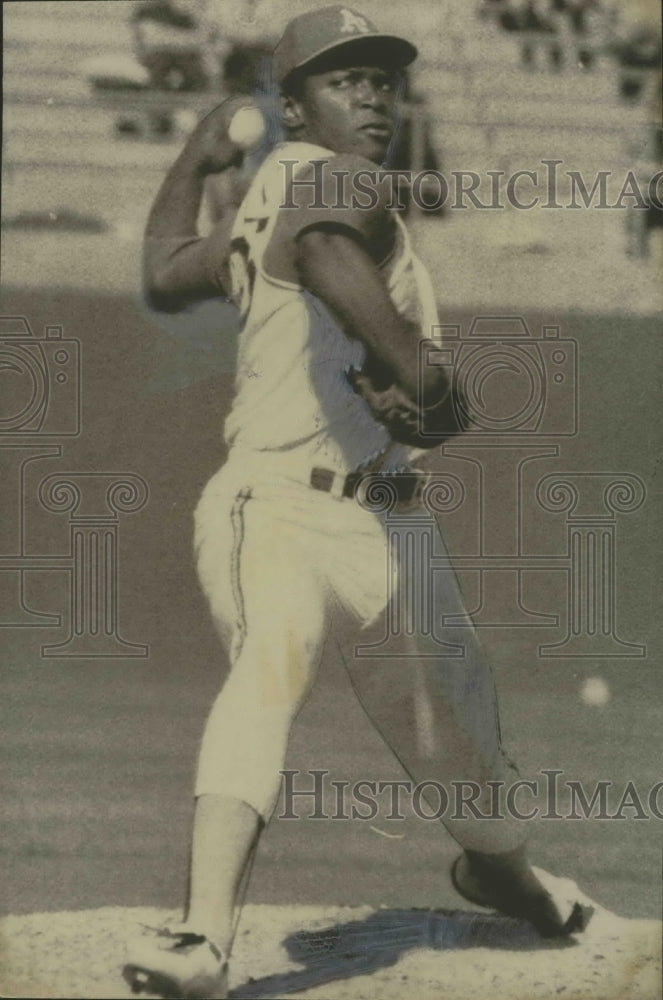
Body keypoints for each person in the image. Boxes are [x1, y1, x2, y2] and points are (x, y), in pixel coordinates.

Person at [123, 7, 593, 998]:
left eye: (383, 79)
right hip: (280, 509)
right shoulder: (331, 179)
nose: (375, 95)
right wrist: (413, 365)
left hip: (388, 524)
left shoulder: (268, 194)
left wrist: (199, 156)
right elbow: (336, 255)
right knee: (269, 668)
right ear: (294, 106)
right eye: (347, 80)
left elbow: (169, 272)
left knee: (461, 753)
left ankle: (501, 872)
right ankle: (203, 939)